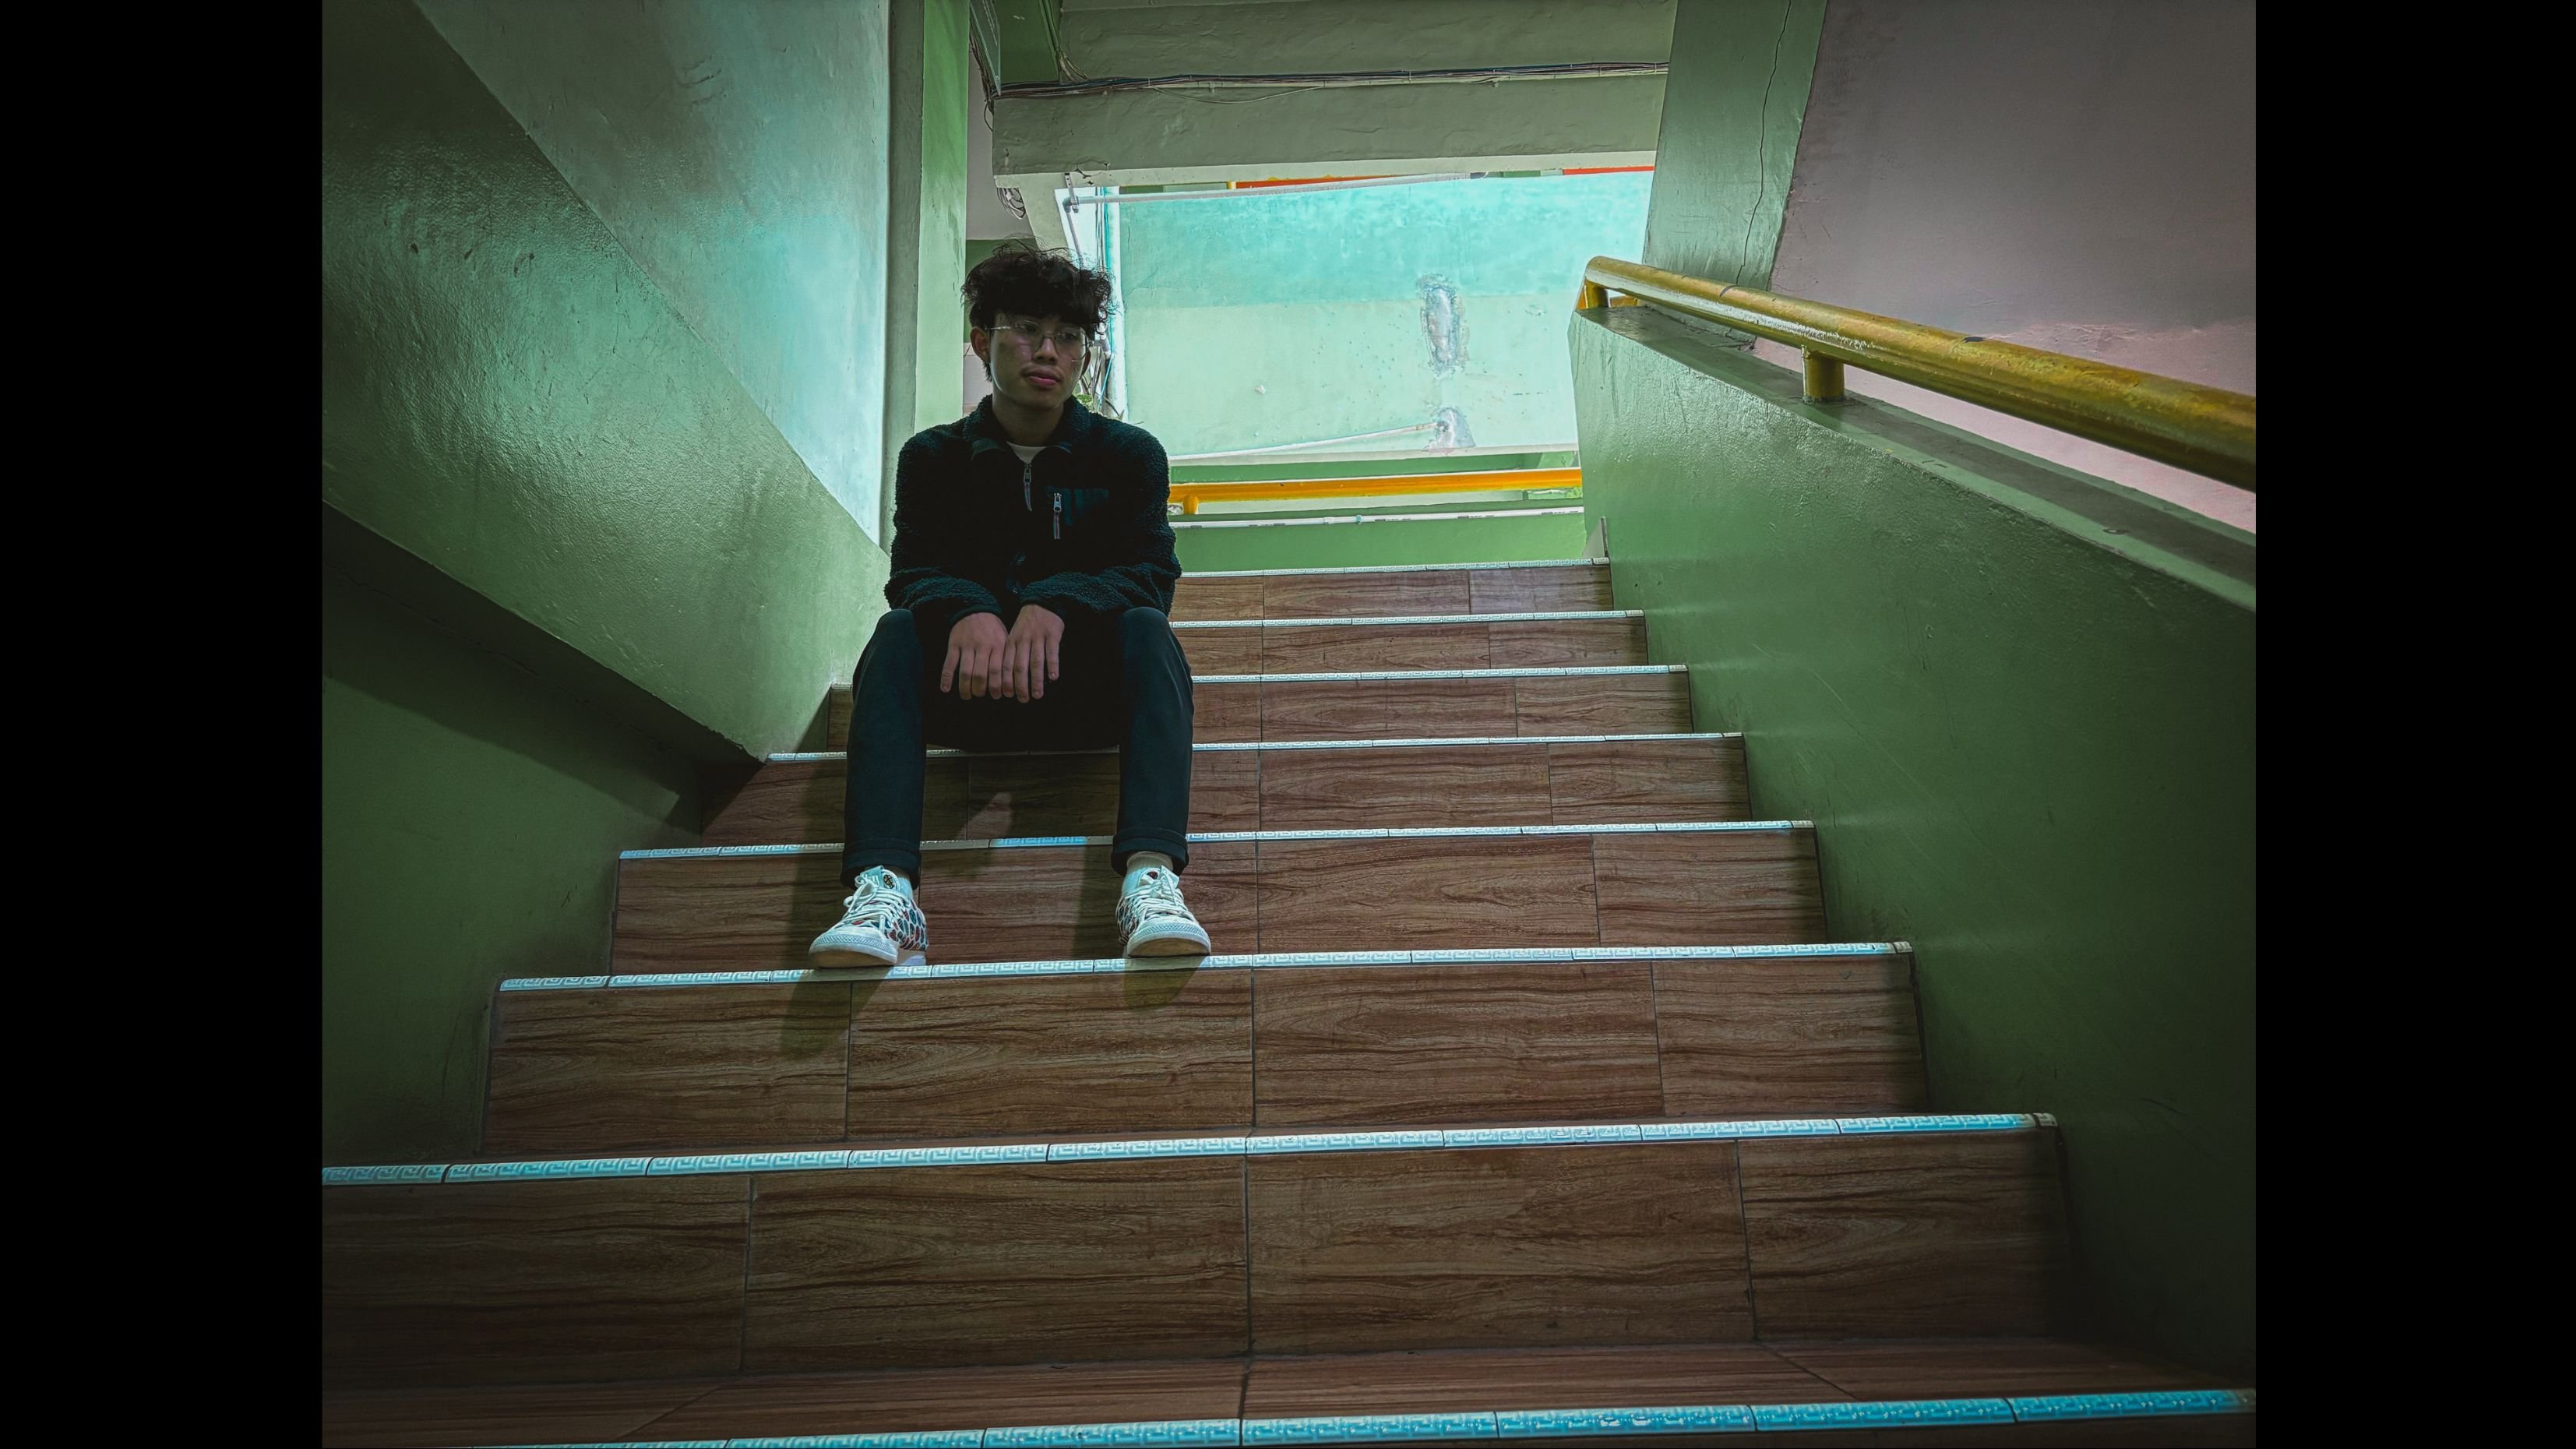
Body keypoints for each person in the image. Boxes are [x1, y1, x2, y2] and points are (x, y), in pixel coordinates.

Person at [809, 242, 1208, 968]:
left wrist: (1056, 603)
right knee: (897, 633)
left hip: (1087, 701)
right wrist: (968, 609)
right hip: (971, 691)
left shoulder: (1128, 455)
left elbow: (1152, 572)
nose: (1048, 351)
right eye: (1026, 330)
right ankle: (885, 890)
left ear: (1083, 355)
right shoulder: (933, 458)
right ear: (980, 341)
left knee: (1148, 630)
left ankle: (1150, 879)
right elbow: (913, 572)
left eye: (1068, 337)